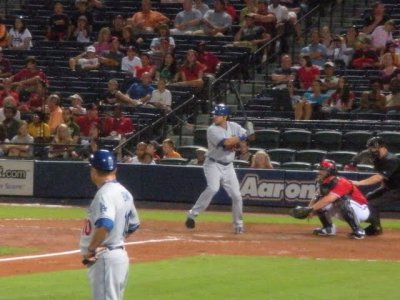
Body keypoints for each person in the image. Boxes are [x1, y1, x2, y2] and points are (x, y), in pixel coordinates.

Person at [80, 149, 140, 300]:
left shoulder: (105, 194)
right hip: (118, 256)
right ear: (115, 169)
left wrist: (92, 249)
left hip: (106, 257)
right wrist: (116, 239)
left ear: (93, 171)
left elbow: (105, 224)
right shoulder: (124, 192)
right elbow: (133, 224)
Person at [185, 104, 249, 234]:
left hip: (229, 165)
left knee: (237, 196)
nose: (214, 116)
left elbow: (247, 134)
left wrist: (243, 136)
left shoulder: (234, 126)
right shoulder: (212, 130)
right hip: (213, 164)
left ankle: (238, 225)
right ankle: (193, 214)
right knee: (213, 188)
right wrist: (240, 138)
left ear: (225, 116)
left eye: (218, 115)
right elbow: (227, 143)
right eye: (214, 114)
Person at [307, 160, 369, 239]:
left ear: (330, 171)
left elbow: (329, 199)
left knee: (341, 200)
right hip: (344, 210)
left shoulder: (341, 181)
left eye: (322, 169)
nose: (319, 172)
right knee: (320, 202)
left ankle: (358, 230)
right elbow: (317, 196)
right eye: (320, 169)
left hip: (360, 210)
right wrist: (309, 208)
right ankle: (328, 228)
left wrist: (310, 209)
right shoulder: (324, 182)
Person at [351, 137, 400, 236]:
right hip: (389, 187)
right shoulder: (377, 159)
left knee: (373, 204)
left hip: (397, 189)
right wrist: (353, 163)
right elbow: (363, 154)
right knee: (367, 199)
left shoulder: (392, 160)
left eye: (373, 148)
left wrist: (359, 183)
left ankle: (375, 229)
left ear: (382, 147)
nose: (372, 150)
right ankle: (374, 225)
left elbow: (378, 177)